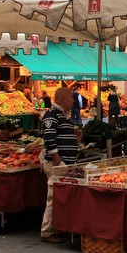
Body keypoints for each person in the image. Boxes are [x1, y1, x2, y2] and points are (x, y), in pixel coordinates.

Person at [40, 87, 79, 244]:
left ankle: (57, 228)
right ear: (62, 99)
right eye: (71, 97)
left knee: (60, 198)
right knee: (53, 197)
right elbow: (49, 139)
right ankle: (47, 232)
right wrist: (58, 161)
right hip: (58, 165)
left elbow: (59, 135)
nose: (74, 100)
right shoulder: (52, 115)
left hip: (65, 164)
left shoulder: (63, 116)